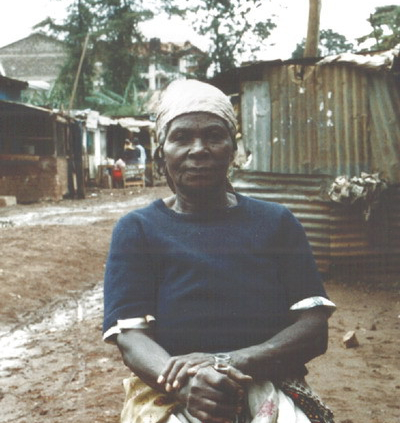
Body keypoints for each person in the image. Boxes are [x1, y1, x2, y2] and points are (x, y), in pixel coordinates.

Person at [103, 79, 336, 423]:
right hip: (170, 388)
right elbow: (131, 337)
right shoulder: (137, 230)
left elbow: (314, 329)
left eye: (214, 136)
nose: (199, 149)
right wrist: (184, 384)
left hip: (267, 381)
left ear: (232, 149)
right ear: (162, 152)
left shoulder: (277, 222)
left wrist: (226, 363)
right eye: (181, 137)